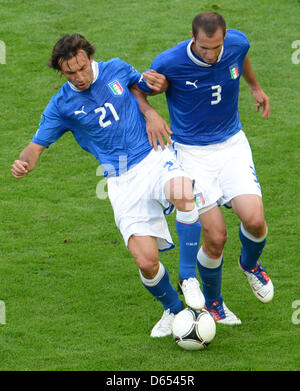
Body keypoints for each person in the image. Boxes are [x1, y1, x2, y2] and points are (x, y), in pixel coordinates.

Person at [11, 33, 204, 337]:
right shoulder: (61, 105)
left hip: (152, 154)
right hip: (120, 178)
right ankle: (174, 310)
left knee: (183, 192)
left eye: (82, 68)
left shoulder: (116, 67)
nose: (79, 77)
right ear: (61, 71)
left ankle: (188, 276)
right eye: (70, 73)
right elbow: (35, 147)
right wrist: (24, 162)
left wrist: (153, 101)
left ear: (90, 57)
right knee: (146, 261)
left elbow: (142, 88)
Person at [136, 12, 274, 324]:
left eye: (216, 47)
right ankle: (214, 304)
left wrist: (254, 87)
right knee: (216, 236)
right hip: (190, 153)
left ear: (225, 38)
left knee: (254, 220)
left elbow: (243, 58)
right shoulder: (170, 62)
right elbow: (138, 89)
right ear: (192, 37)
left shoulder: (237, 43)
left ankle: (250, 265)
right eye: (204, 48)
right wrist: (150, 112)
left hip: (231, 146)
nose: (211, 54)